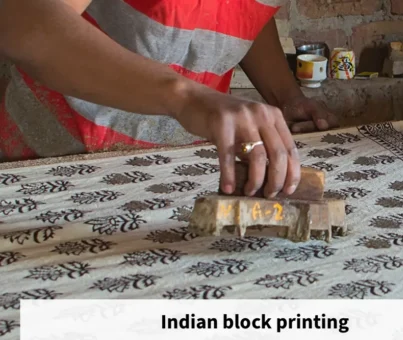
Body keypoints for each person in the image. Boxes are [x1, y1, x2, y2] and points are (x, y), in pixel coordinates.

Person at [0, 0, 339, 198]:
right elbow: (21, 21)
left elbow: (246, 11)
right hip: (58, 163)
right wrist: (185, 96)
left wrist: (285, 95)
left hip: (182, 173)